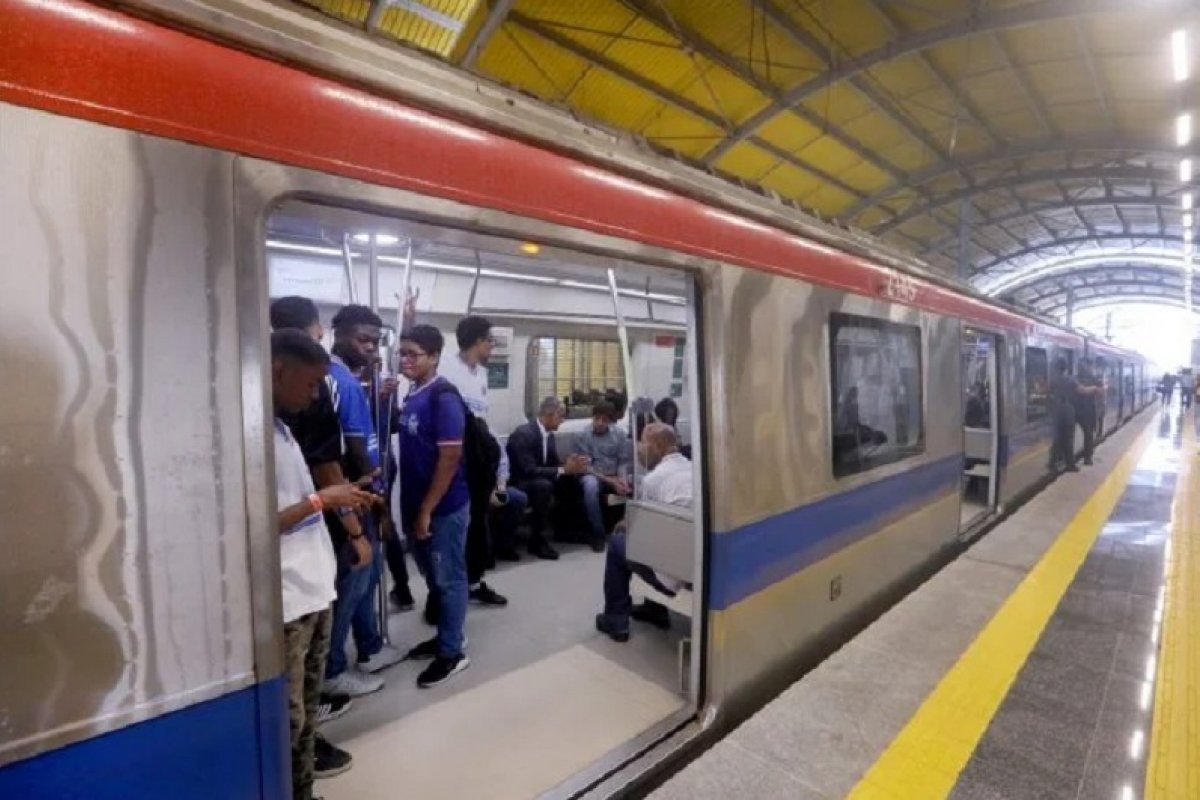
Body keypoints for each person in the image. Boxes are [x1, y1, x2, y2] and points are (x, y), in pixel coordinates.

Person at [271, 328, 376, 799]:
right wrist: (322, 499)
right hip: (287, 600)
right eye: (310, 384)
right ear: (278, 371)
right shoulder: (251, 441)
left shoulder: (285, 431)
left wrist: (345, 499)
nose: (315, 394)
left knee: (307, 712)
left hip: (315, 590)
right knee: (287, 720)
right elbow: (257, 525)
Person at [323, 305, 404, 698]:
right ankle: (333, 668)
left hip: (350, 494)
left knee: (367, 577)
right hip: (354, 496)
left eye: (375, 342)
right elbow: (362, 455)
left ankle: (370, 646)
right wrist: (379, 499)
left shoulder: (350, 380)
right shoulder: (343, 382)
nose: (370, 349)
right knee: (355, 578)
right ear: (335, 333)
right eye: (362, 340)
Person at [396, 325, 472, 687]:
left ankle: (452, 652)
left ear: (435, 357)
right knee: (432, 576)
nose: (406, 360)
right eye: (403, 353)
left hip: (443, 507)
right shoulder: (413, 393)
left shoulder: (444, 397)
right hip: (416, 504)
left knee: (449, 578)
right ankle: (447, 633)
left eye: (414, 354)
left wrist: (427, 508)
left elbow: (450, 456)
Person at [435, 315, 514, 606]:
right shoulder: (446, 368)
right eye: (490, 341)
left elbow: (482, 420)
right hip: (456, 458)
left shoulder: (480, 374)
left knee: (478, 525)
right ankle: (442, 593)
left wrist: (498, 465)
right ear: (478, 341)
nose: (492, 347)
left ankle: (474, 581)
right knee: (455, 529)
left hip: (479, 458)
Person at [595, 423, 693, 642]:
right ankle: (654, 610)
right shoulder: (692, 468)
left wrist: (624, 524)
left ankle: (616, 620)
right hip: (698, 561)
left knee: (618, 544)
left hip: (675, 570)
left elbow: (643, 530)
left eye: (641, 442)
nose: (638, 448)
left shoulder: (653, 480)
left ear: (658, 446)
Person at [506, 397, 590, 560]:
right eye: (561, 416)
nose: (563, 420)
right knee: (543, 486)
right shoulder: (523, 434)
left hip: (538, 477)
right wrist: (562, 469)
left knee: (571, 479)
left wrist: (568, 465)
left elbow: (552, 464)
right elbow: (528, 470)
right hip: (521, 481)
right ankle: (537, 540)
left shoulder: (549, 435)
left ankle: (565, 530)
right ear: (549, 415)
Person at [570, 401, 633, 552]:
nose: (599, 423)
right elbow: (585, 466)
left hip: (614, 474)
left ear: (610, 422)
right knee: (590, 486)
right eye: (596, 418)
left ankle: (628, 529)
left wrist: (622, 479)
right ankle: (597, 534)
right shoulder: (582, 435)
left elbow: (623, 461)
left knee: (637, 482)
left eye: (604, 420)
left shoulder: (619, 435)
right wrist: (610, 480)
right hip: (593, 474)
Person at [1074, 358, 1100, 466]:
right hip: (1077, 410)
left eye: (1083, 366)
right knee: (1086, 435)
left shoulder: (1093, 379)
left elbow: (1101, 391)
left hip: (1087, 411)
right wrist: (1092, 389)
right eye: (1080, 366)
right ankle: (1086, 458)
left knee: (1088, 435)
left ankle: (1087, 457)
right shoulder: (1074, 378)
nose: (1081, 368)